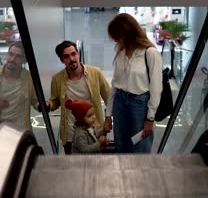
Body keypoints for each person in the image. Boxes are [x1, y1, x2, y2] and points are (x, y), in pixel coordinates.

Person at [105, 13, 163, 153]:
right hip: (119, 103)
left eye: (118, 37)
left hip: (139, 106)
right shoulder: (120, 51)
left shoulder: (150, 53)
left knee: (140, 149)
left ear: (129, 33)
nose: (117, 41)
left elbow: (156, 89)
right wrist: (108, 115)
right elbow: (115, 84)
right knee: (121, 147)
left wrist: (150, 118)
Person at [47, 40, 111, 154]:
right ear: (62, 60)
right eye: (66, 56)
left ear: (78, 54)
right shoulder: (57, 79)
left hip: (94, 132)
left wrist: (108, 118)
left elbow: (109, 97)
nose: (71, 59)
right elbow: (55, 101)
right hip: (71, 134)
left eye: (73, 54)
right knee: (74, 169)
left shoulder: (95, 73)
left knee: (97, 167)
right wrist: (48, 105)